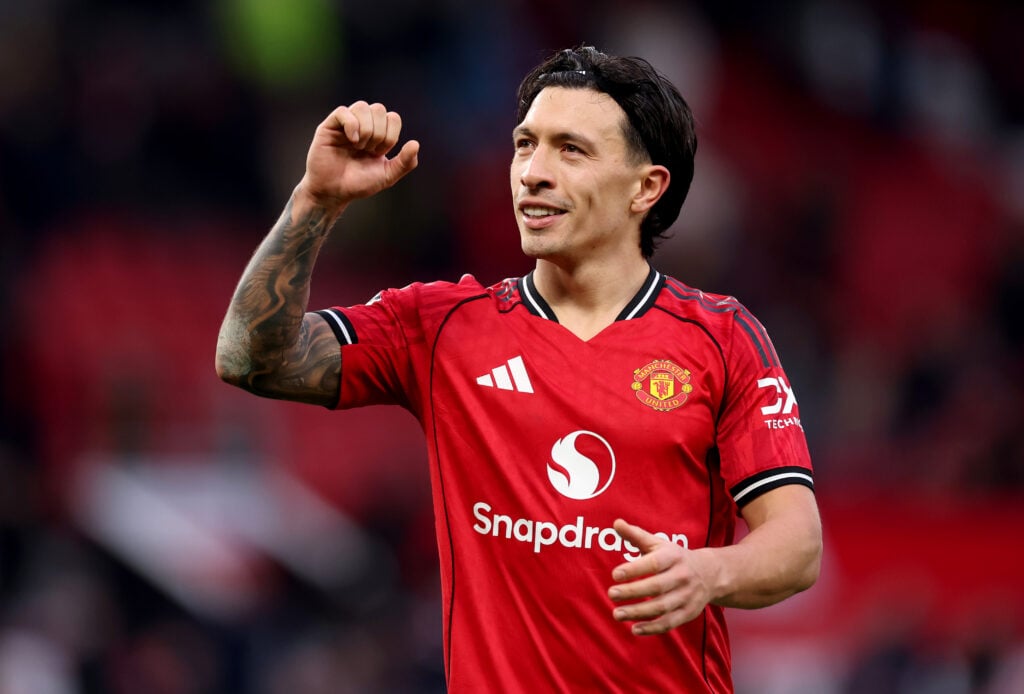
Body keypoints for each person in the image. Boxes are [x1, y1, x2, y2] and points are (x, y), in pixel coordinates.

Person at [216, 46, 822, 693]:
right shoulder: (441, 325)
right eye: (524, 145)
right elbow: (250, 359)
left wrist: (709, 574)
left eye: (571, 150)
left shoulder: (722, 339)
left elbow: (797, 544)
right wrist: (316, 201)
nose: (532, 172)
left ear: (646, 187)